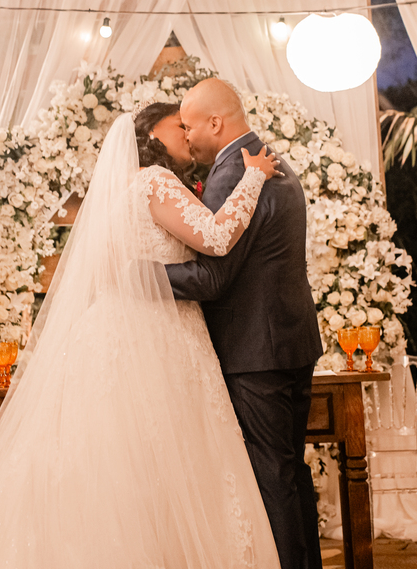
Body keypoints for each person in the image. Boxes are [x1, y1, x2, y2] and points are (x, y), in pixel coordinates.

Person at [0, 105, 286, 568]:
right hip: (157, 337)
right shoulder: (155, 182)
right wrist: (253, 177)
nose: (186, 132)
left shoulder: (117, 196)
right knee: (162, 461)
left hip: (118, 332)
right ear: (150, 134)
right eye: (177, 124)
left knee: (124, 464)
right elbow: (216, 237)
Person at [166, 79, 325, 569]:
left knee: (270, 476)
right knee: (290, 472)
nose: (187, 136)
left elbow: (213, 275)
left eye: (190, 125)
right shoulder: (275, 161)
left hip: (254, 351)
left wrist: (139, 275)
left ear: (216, 123)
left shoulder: (230, 173)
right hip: (292, 342)